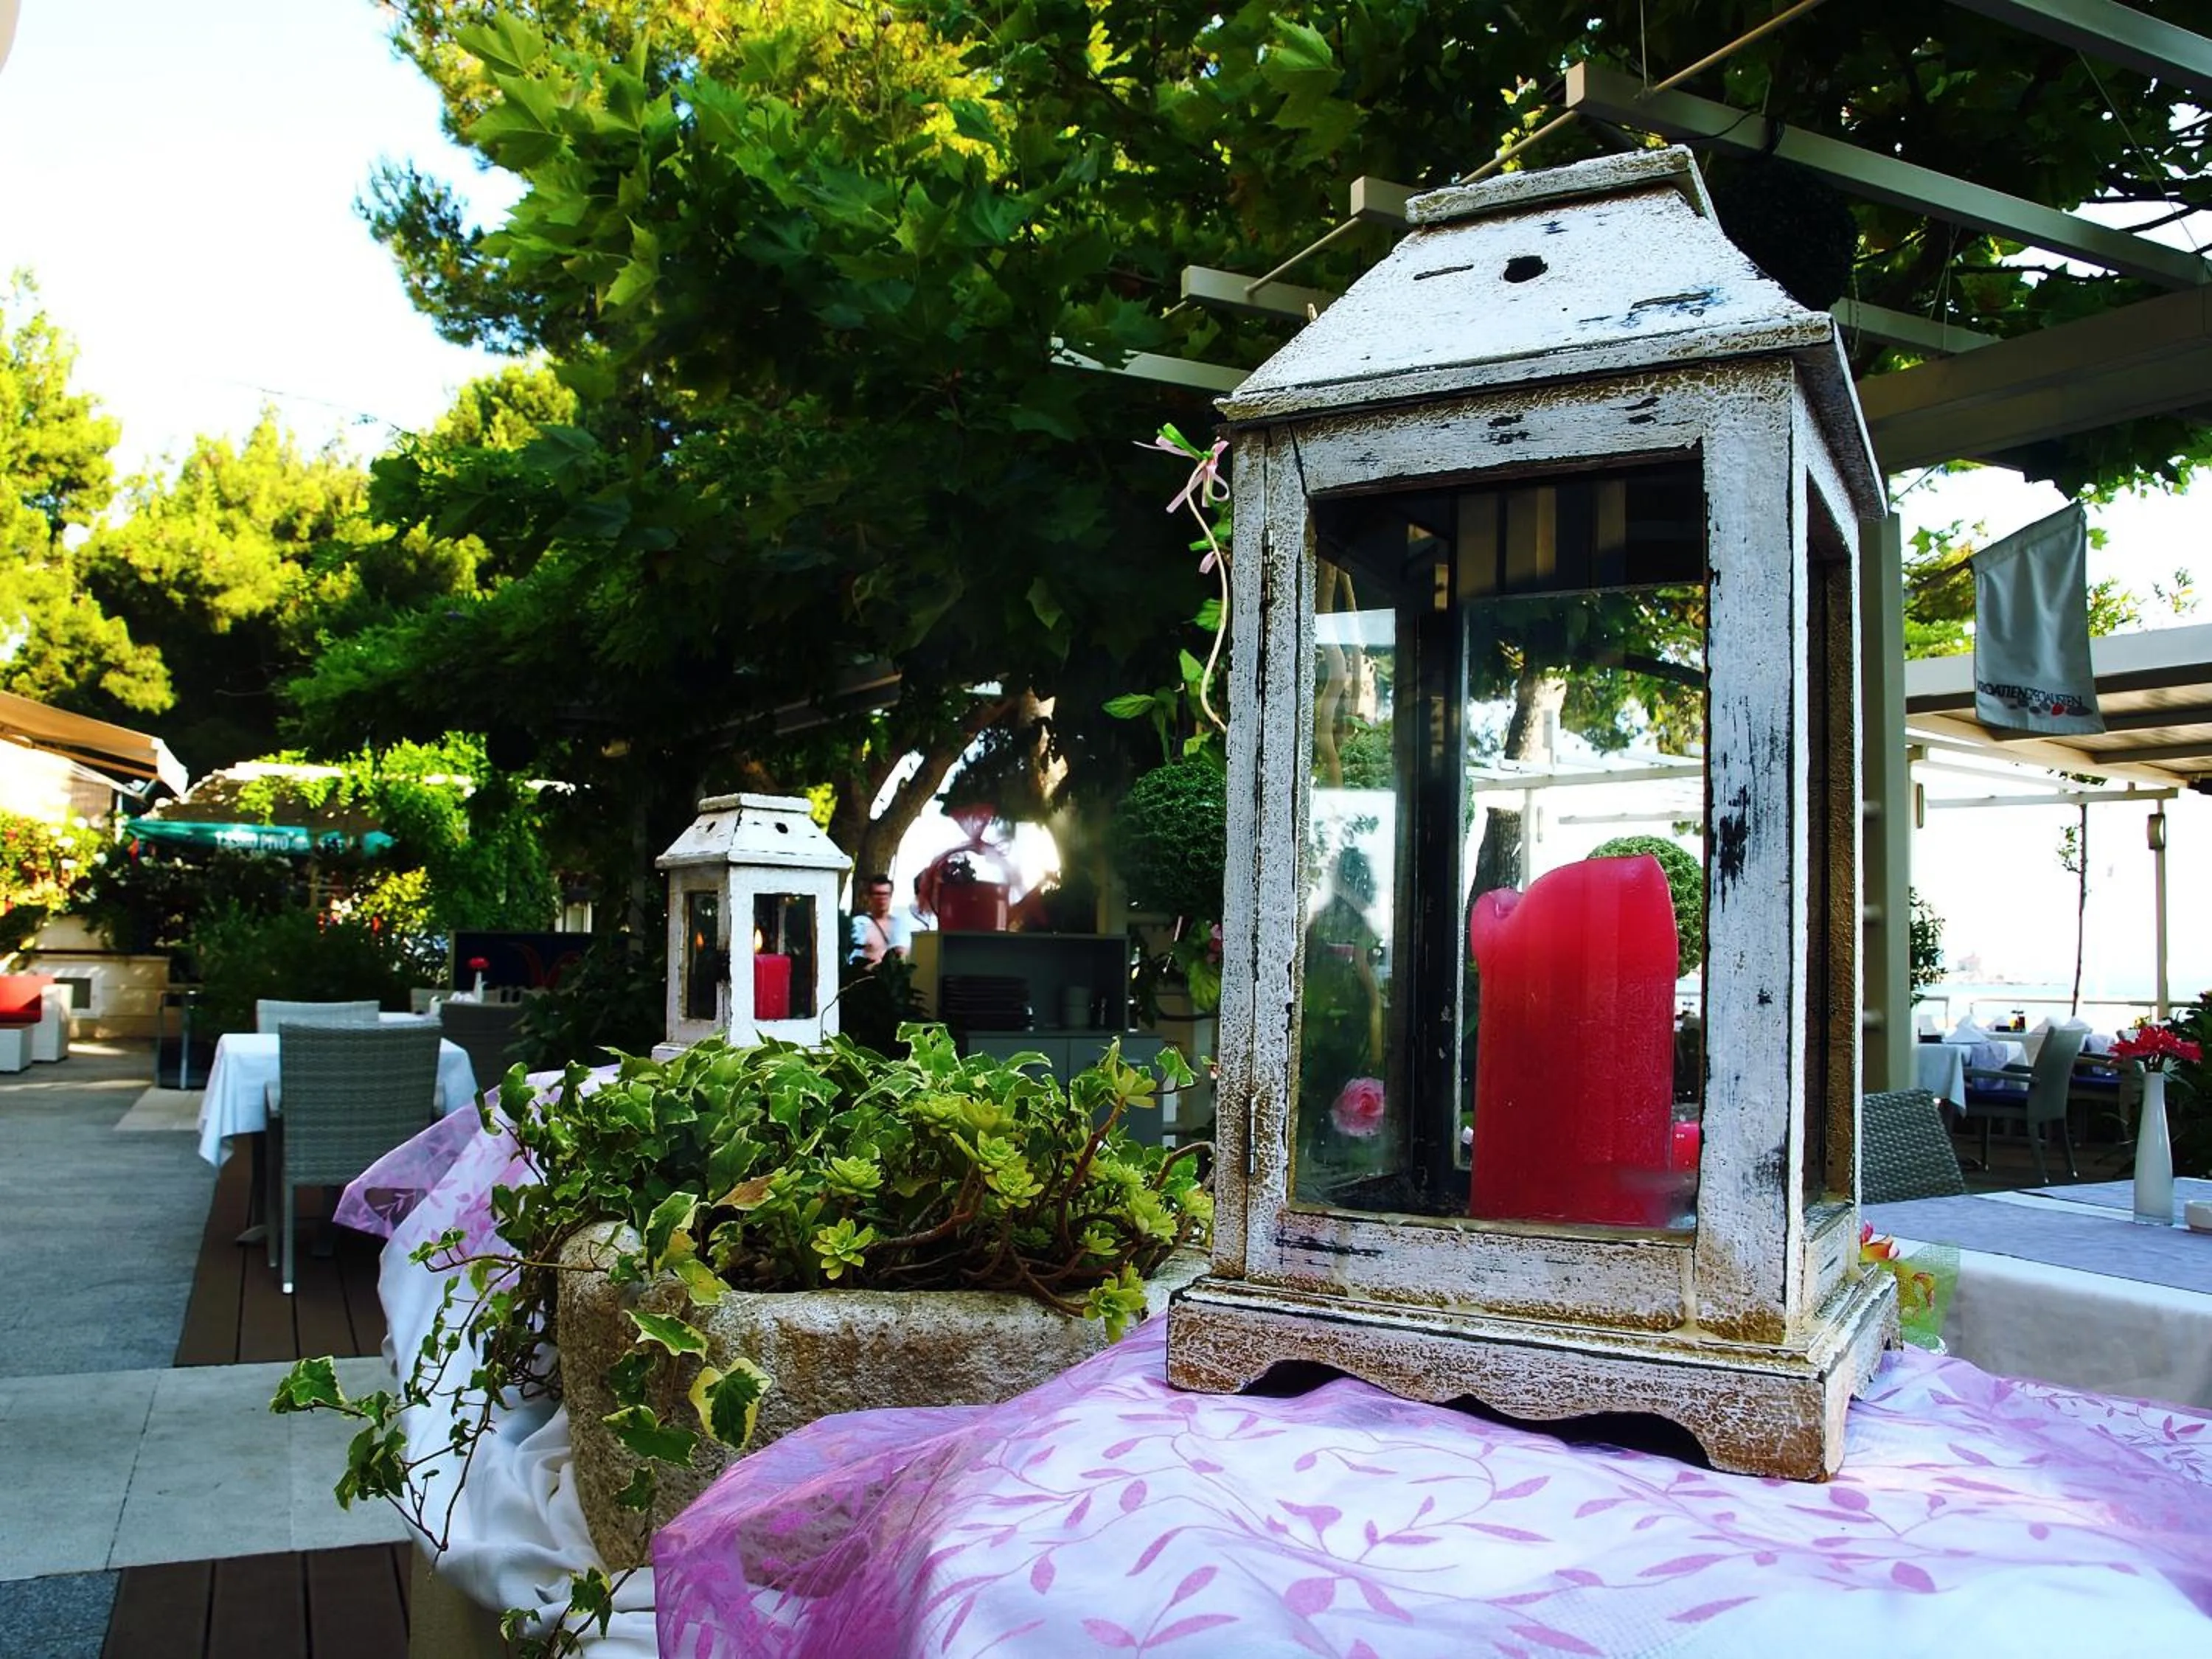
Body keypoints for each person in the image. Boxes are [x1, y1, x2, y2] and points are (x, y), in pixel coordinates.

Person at [848, 872, 914, 967]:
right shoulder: (859, 924)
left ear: (891, 896)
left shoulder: (900, 925)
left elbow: (906, 955)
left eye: (885, 894)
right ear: (869, 897)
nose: (882, 898)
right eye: (878, 894)